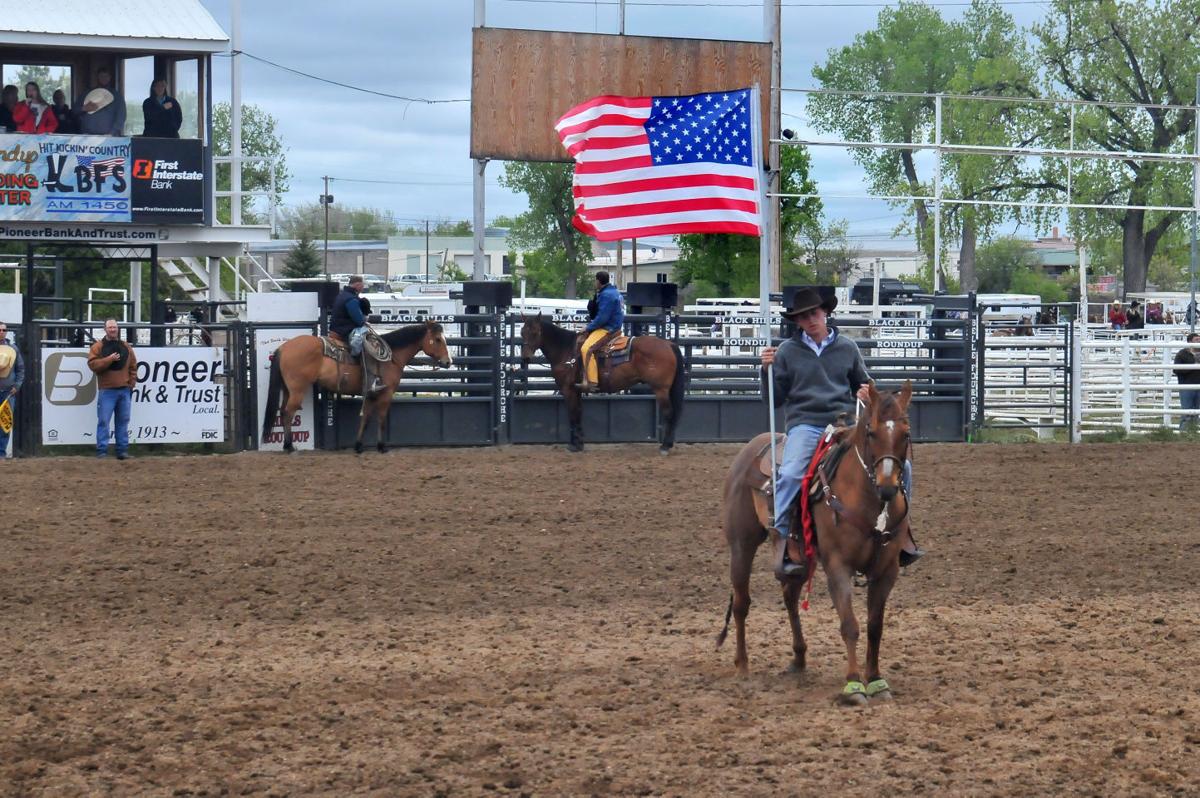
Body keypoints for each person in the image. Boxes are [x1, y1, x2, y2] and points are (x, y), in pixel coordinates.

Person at [761, 288, 922, 580]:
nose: (810, 320)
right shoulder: (786, 352)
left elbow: (864, 383)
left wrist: (865, 391)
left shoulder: (847, 348)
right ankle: (783, 536)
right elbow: (774, 398)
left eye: (814, 313)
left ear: (825, 313)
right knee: (792, 472)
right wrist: (766, 372)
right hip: (805, 423)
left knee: (902, 466)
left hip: (844, 422)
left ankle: (902, 531)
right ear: (797, 321)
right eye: (803, 316)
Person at [86, 319, 138, 460]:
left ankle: (122, 451)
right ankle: (102, 451)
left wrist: (131, 384)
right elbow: (93, 365)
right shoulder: (97, 347)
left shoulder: (126, 346)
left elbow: (133, 365)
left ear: (118, 328)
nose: (113, 329)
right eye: (110, 327)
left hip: (124, 390)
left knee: (123, 421)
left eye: (114, 327)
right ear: (105, 329)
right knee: (104, 421)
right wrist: (109, 359)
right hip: (107, 390)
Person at [329, 276, 383, 396]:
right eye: (362, 285)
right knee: (370, 348)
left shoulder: (342, 295)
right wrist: (364, 321)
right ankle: (370, 382)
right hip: (345, 331)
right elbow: (358, 319)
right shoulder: (351, 299)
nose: (363, 287)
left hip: (336, 329)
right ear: (357, 285)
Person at [576, 271, 624, 392]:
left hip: (607, 328)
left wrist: (587, 328)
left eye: (595, 280)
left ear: (598, 281)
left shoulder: (606, 295)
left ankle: (592, 381)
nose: (594, 283)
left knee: (586, 349)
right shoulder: (614, 292)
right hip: (615, 326)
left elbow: (602, 318)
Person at [76, 67, 125, 136]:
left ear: (110, 77)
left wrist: (111, 133)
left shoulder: (117, 97)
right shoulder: (87, 93)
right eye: (101, 76)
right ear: (97, 77)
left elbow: (121, 117)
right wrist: (83, 108)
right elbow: (74, 110)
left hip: (109, 137)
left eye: (106, 76)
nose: (103, 78)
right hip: (88, 136)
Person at [0, 323, 24, 459]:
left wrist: (17, 386)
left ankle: (1, 453)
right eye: (0, 330)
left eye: (4, 330)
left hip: (8, 392)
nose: (2, 332)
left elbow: (20, 369)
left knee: (5, 423)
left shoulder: (13, 349)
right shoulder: (12, 349)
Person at [1174, 333, 1200, 432]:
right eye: (1196, 340)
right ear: (1190, 342)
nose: (1199, 341)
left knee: (1196, 412)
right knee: (1186, 412)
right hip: (1186, 386)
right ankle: (1184, 432)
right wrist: (1193, 366)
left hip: (1199, 386)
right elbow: (1176, 370)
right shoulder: (1182, 354)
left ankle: (1193, 432)